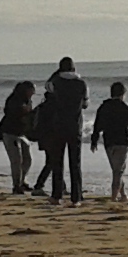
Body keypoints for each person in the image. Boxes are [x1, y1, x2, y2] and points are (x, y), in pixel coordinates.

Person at [38, 57, 88, 205]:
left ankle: (57, 195)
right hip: (75, 126)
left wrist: (56, 74)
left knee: (57, 162)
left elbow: (47, 86)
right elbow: (85, 104)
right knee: (75, 163)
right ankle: (76, 197)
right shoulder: (82, 83)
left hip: (58, 126)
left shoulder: (55, 82)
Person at [91, 81, 128, 201]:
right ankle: (114, 196)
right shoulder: (125, 107)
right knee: (118, 170)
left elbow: (97, 126)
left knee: (116, 169)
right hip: (122, 141)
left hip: (109, 141)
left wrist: (94, 141)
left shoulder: (104, 107)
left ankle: (123, 194)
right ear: (123, 94)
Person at [0, 80, 37, 194]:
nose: (33, 93)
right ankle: (16, 185)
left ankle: (22, 180)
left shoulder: (27, 100)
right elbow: (15, 113)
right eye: (32, 90)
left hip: (21, 133)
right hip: (10, 132)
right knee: (16, 160)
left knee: (28, 159)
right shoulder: (14, 100)